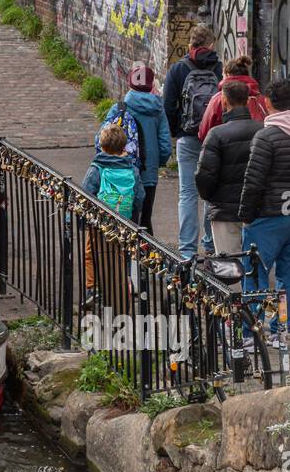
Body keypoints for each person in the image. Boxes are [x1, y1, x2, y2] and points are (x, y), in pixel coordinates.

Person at [237, 77, 290, 347]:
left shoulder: (265, 137)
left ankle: (251, 332)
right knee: (287, 277)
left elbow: (253, 182)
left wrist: (246, 215)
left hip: (264, 217)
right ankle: (280, 329)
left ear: (267, 103)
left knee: (255, 274)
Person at [163, 24, 222, 258]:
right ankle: (210, 243)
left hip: (187, 138)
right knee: (211, 192)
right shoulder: (218, 68)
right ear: (211, 45)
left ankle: (187, 249)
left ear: (191, 44)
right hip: (214, 139)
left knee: (187, 194)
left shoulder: (178, 70)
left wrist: (176, 131)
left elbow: (167, 106)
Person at [195, 80, 264, 255]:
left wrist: (211, 199)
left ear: (224, 101)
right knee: (255, 264)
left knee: (229, 268)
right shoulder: (263, 131)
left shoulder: (217, 134)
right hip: (258, 208)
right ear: (248, 101)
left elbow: (204, 176)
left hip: (224, 210)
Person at [81, 123, 145, 306]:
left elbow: (86, 193)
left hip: (99, 221)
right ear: (124, 147)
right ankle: (122, 284)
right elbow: (139, 195)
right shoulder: (132, 169)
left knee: (91, 252)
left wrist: (81, 219)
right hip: (123, 220)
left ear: (101, 147)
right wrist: (133, 217)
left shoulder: (97, 168)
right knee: (122, 252)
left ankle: (91, 288)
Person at [101, 64, 170, 234]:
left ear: (130, 83)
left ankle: (123, 258)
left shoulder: (119, 108)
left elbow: (101, 139)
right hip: (148, 173)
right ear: (151, 85)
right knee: (145, 220)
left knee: (122, 218)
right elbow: (165, 146)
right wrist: (157, 164)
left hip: (121, 171)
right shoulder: (158, 110)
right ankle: (147, 258)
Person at [197, 54, 270, 141]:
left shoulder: (218, 98)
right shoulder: (261, 99)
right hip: (257, 150)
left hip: (225, 149)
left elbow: (204, 133)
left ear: (227, 74)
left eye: (223, 74)